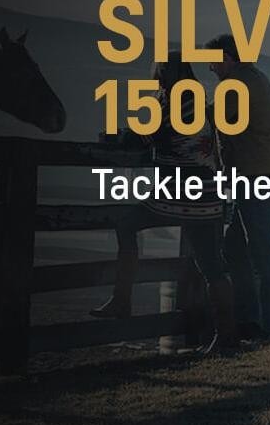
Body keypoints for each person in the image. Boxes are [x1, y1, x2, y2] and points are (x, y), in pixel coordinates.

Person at [91, 55, 239, 353]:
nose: (155, 77)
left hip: (181, 192)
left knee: (127, 224)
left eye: (157, 72)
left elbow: (144, 138)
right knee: (212, 266)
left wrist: (115, 137)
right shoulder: (198, 99)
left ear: (163, 73)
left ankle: (122, 299)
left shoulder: (173, 101)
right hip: (209, 194)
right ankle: (227, 336)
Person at [204, 34, 270, 338]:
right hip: (262, 171)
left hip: (254, 174)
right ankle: (251, 320)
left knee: (262, 249)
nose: (210, 67)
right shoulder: (253, 78)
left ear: (227, 57)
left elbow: (211, 118)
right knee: (237, 247)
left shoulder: (236, 84)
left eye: (212, 60)